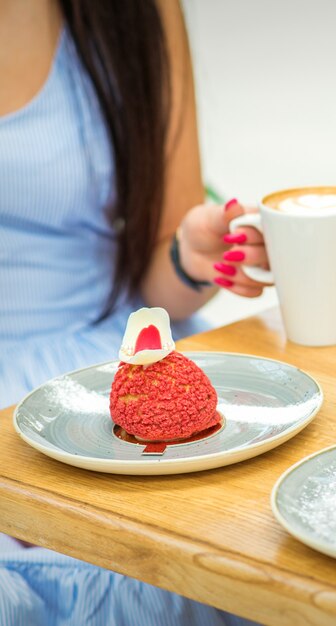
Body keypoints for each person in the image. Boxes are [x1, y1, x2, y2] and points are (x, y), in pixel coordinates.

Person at [0, 0, 267, 623]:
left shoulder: (140, 12)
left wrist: (188, 256)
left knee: (236, 551)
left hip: (109, 359)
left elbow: (154, 285)